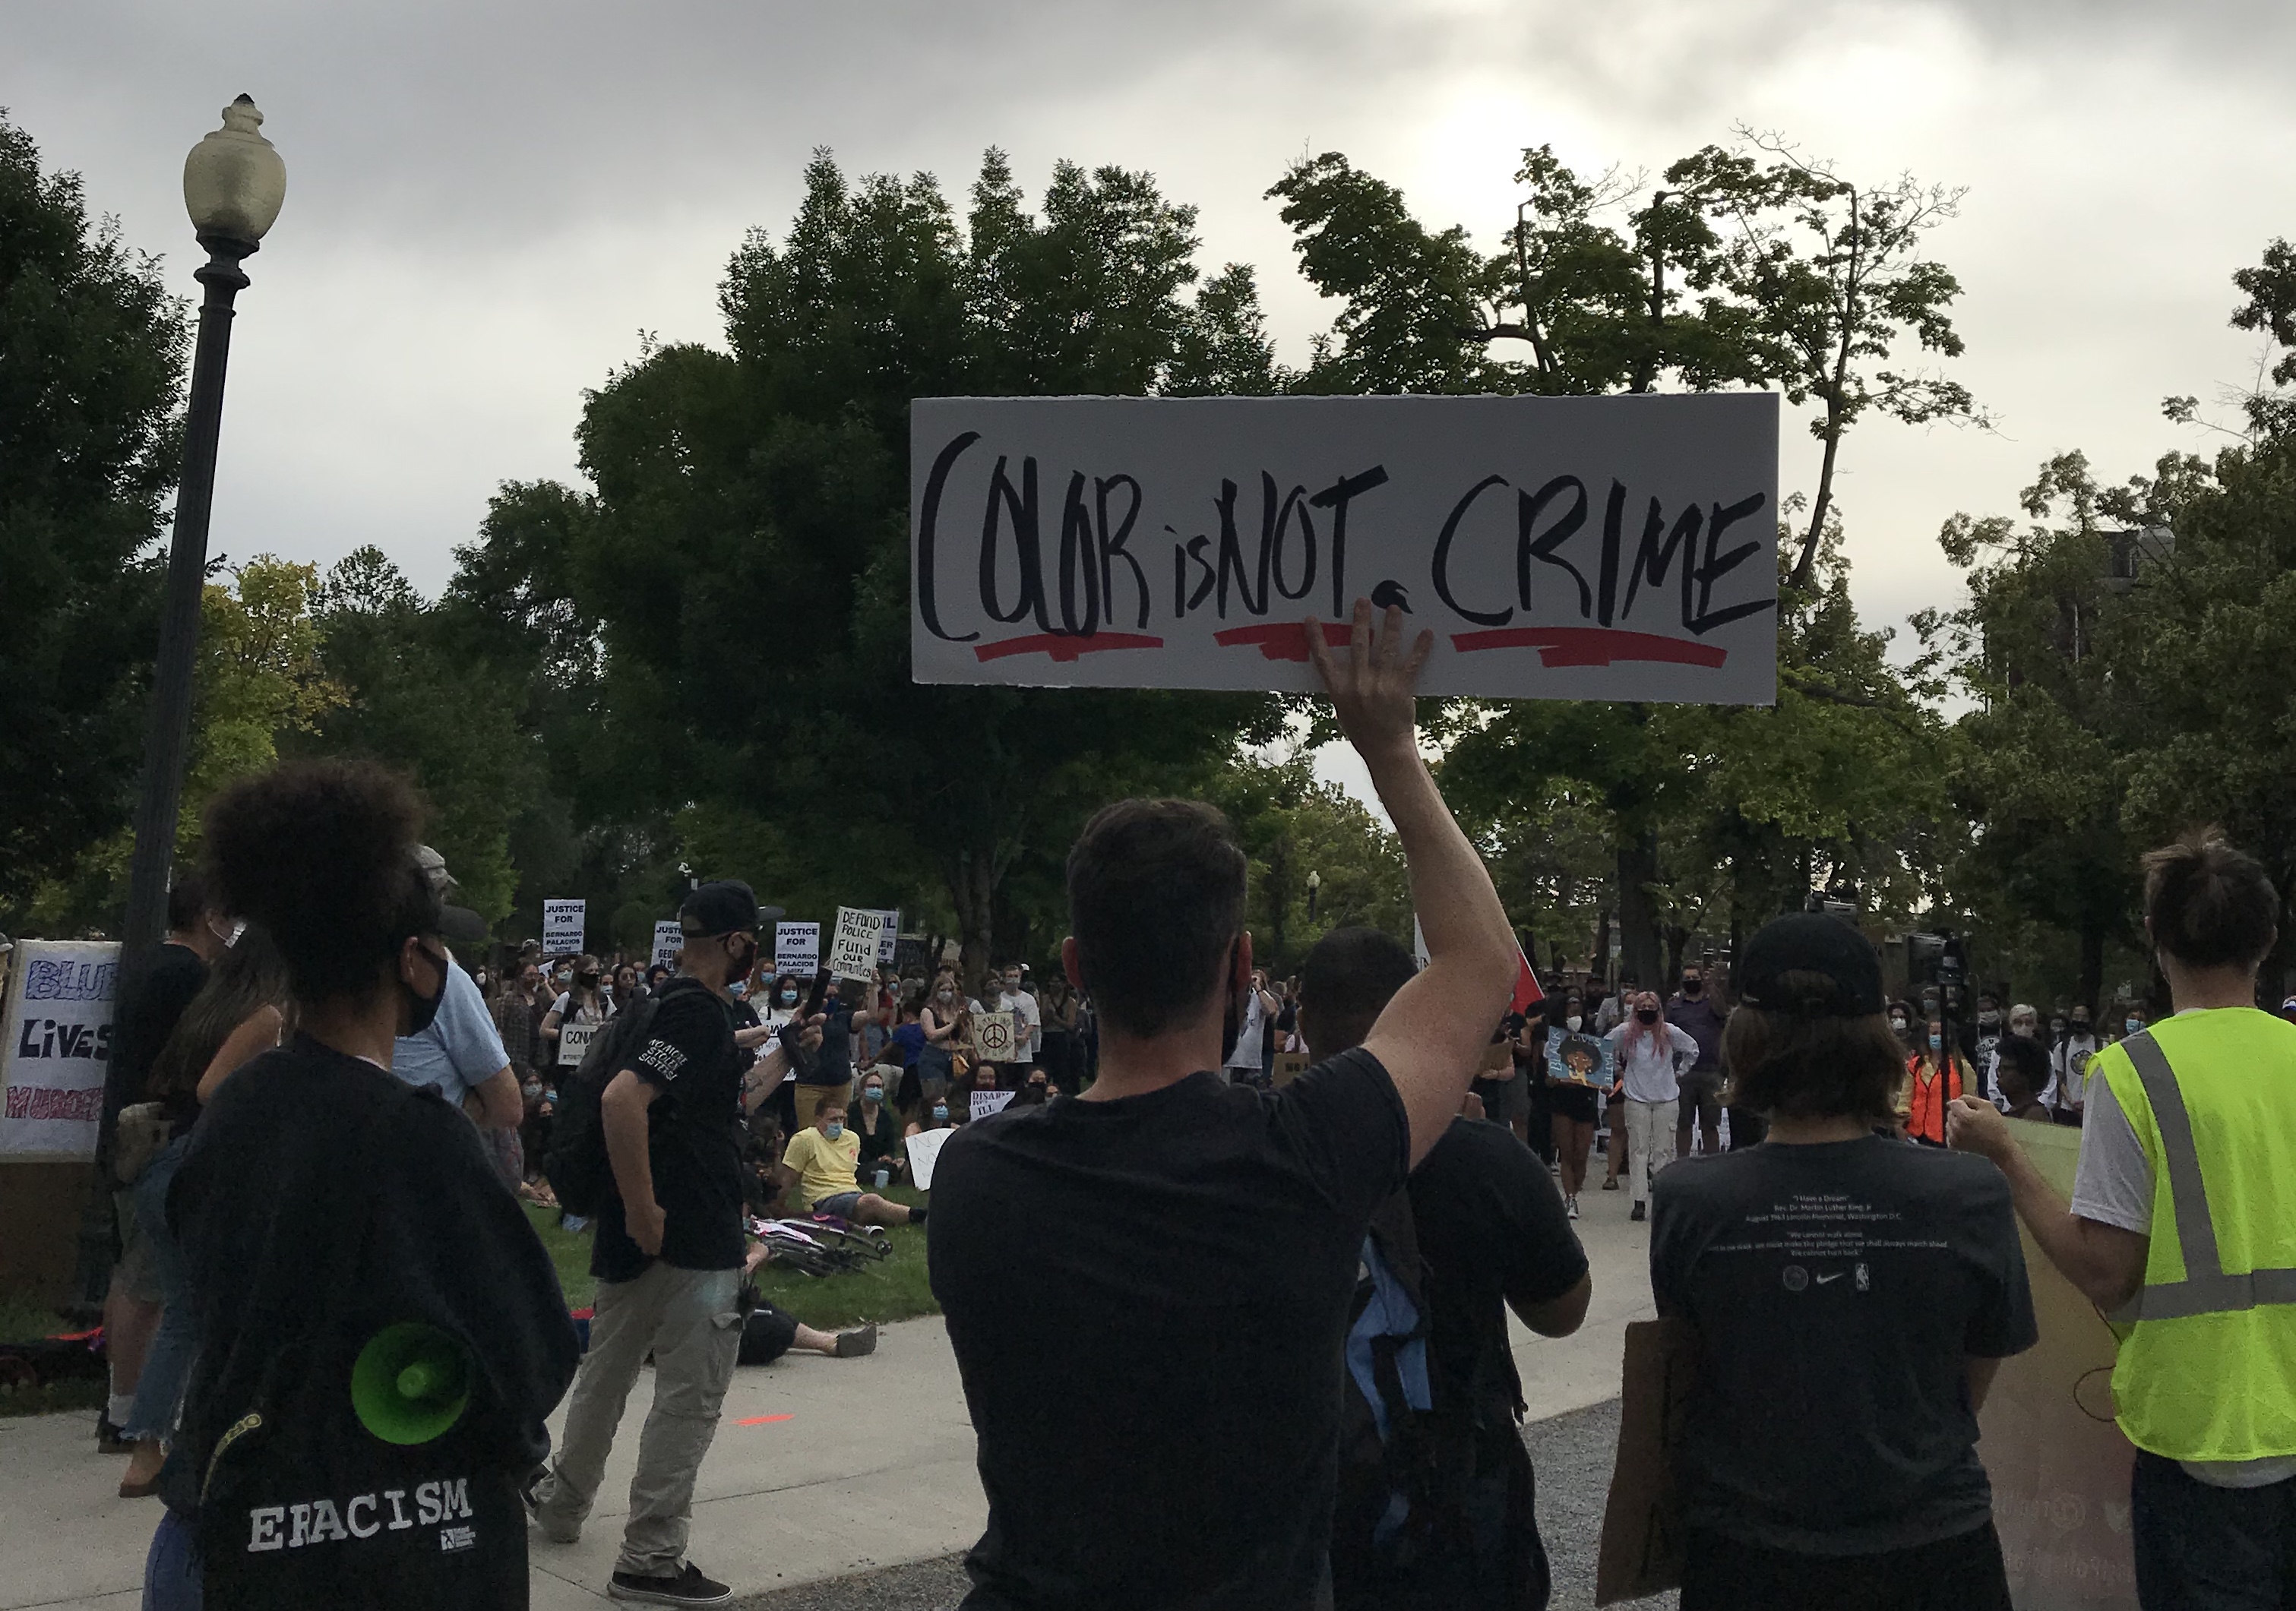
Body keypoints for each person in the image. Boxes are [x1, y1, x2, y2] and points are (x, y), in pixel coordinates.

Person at [928, 601, 1519, 1610]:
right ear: (1243, 969)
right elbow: (1477, 963)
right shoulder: (1307, 1153)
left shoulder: (974, 1177)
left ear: (1076, 968)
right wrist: (1391, 754)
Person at [166, 760, 578, 1607]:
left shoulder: (235, 1109)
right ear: (416, 960)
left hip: (219, 1527)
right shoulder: (419, 1136)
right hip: (373, 1550)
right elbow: (531, 1353)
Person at [1950, 832, 2296, 1611]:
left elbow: (2107, 1272)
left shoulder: (2135, 1074)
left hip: (2203, 1434)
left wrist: (2006, 1157)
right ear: (2267, 939)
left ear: (2156, 938)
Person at [1653, 912, 2037, 1611]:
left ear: (1745, 1039)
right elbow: (1969, 1377)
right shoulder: (1970, 1193)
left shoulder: (1688, 1198)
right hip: (1933, 1550)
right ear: (1879, 1042)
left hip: (1747, 1555)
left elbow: (1690, 1359)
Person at [527, 882, 805, 1606]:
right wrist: (648, 1207)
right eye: (756, 941)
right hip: (688, 1235)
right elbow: (626, 1099)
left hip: (635, 1236)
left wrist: (776, 1056)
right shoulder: (693, 1013)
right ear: (740, 944)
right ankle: (649, 1558)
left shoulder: (664, 1004)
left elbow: (709, 1107)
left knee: (606, 1376)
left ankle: (563, 1502)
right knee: (688, 1398)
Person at [1300, 927, 1590, 1611]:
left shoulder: (1257, 1153)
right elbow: (1563, 1311)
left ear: (1303, 1024)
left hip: (1309, 1536)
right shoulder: (1484, 1158)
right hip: (1459, 1526)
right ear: (1410, 1009)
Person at [115, 924, 293, 1499]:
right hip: (200, 1171)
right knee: (211, 1311)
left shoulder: (207, 1007)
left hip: (161, 1166)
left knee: (184, 1310)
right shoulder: (266, 1017)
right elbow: (216, 1087)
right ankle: (164, 1443)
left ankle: (150, 1442)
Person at [96, 872, 223, 1456]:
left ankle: (120, 1403)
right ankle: (134, 1416)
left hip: (126, 1136)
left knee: (131, 1276)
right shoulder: (191, 977)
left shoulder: (147, 965)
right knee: (155, 1289)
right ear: (208, 914)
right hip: (161, 1136)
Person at [1607, 990, 1698, 1222]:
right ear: (1635, 1012)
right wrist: (1618, 1070)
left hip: (1666, 1098)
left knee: (1663, 1151)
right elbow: (1602, 1049)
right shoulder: (1625, 1033)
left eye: (1652, 1008)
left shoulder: (1669, 1032)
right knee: (1638, 1151)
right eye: (1642, 1008)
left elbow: (1693, 1050)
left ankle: (1661, 1200)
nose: (1647, 1012)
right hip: (1636, 1098)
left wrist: (1679, 1073)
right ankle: (1638, 1201)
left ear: (1659, 1011)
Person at [779, 1100, 924, 1227]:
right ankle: (920, 1216)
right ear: (818, 1120)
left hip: (852, 1193)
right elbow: (789, 1177)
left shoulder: (852, 1138)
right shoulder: (804, 1139)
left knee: (873, 1209)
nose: (838, 1124)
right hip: (822, 1199)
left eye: (841, 1119)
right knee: (872, 1201)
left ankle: (907, 1217)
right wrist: (777, 1206)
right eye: (833, 1119)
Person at [1545, 994, 1602, 1219]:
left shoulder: (1593, 1040)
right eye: (1570, 1005)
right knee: (1567, 1152)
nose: (1573, 1010)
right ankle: (1570, 1197)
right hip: (1562, 1099)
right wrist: (1555, 1078)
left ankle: (1575, 1190)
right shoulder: (1554, 1042)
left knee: (1581, 1154)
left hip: (1585, 1099)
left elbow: (1600, 1072)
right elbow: (1548, 1078)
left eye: (1577, 1005)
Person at [1671, 962, 1728, 1161]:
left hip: (1711, 1071)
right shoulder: (1674, 1006)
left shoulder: (1712, 1003)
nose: (1691, 982)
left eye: (1695, 978)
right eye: (1688, 979)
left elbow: (1724, 1013)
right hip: (1683, 1073)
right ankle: (1682, 1164)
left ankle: (1711, 1165)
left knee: (1710, 1124)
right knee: (1683, 1123)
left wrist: (1712, 987)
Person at [1902, 1013, 1975, 1146]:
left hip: (1948, 1136)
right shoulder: (1916, 1064)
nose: (1938, 1037)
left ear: (1950, 1037)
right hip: (1916, 1135)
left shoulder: (1962, 1068)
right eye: (1934, 1033)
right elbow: (1905, 1100)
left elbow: (1971, 1103)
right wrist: (1900, 1126)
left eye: (1942, 1033)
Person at [1222, 967, 1279, 1088]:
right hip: (1233, 1060)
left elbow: (1271, 1010)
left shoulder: (1262, 997)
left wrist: (1258, 988)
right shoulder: (1235, 995)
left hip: (1252, 1061)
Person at [850, 1069, 905, 1186]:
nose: (875, 1090)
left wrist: (888, 1157)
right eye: (871, 1086)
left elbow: (890, 1146)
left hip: (880, 1163)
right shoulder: (851, 1113)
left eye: (879, 1087)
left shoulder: (885, 1117)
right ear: (862, 1090)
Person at [1991, 1037, 2054, 1123]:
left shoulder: (2034, 1115)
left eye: (2005, 1068)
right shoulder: (2014, 1111)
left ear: (2026, 1074)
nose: (1999, 1074)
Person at [2054, 1006, 2101, 1119]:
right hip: (2068, 1109)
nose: (2080, 1021)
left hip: (2093, 1109)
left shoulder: (2101, 1047)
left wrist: (2086, 1102)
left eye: (2084, 1017)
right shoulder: (2061, 1048)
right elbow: (2060, 1080)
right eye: (2076, 1016)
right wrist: (2071, 1102)